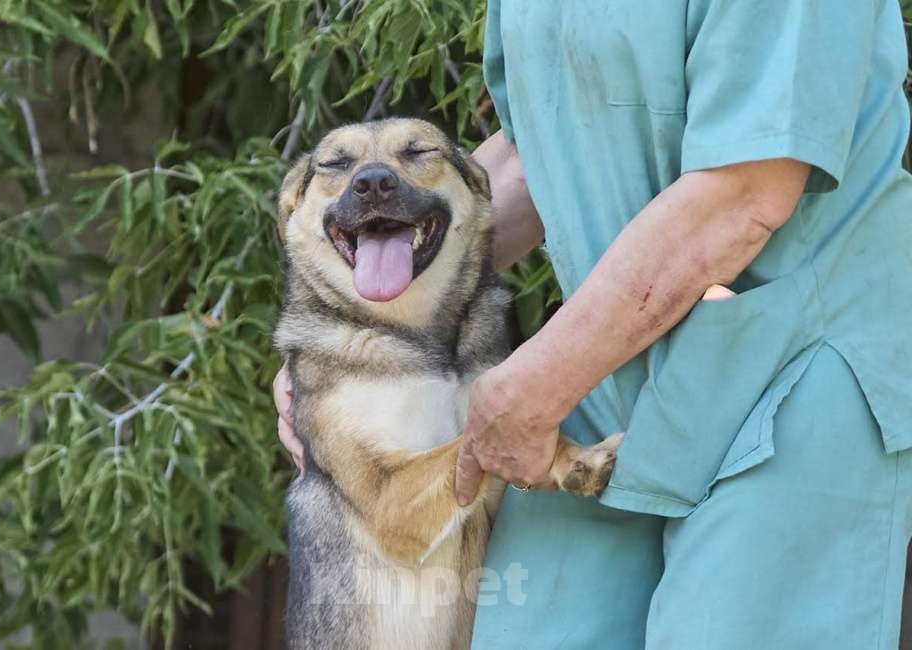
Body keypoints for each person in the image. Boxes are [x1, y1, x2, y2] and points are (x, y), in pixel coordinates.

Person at [275, 1, 912, 647]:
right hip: (600, 379)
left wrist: (536, 386)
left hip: (787, 375)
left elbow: (744, 194)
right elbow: (536, 152)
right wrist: (349, 340)